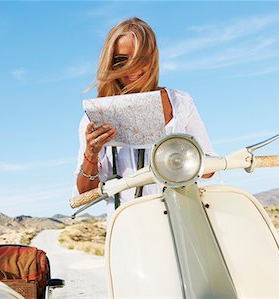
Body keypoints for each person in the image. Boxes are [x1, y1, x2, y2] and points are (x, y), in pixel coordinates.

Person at [74, 17, 216, 220]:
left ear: (152, 58)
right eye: (121, 60)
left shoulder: (180, 103)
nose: (131, 69)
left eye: (139, 59)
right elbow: (85, 195)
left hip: (182, 218)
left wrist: (179, 155)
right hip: (129, 226)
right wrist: (91, 153)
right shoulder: (96, 116)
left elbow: (209, 170)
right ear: (110, 62)